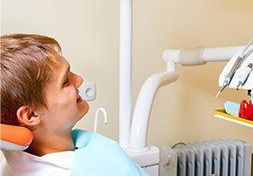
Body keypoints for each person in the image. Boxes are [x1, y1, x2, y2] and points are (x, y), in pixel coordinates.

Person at [0, 34, 147, 176]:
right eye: (65, 81)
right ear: (30, 115)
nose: (79, 80)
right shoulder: (98, 167)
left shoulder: (12, 162)